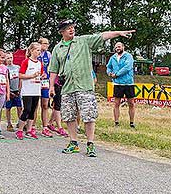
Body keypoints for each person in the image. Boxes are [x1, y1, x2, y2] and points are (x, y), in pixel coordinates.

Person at [49, 19, 135, 157]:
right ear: (61, 32)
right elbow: (53, 69)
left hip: (84, 86)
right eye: (68, 28)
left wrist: (118, 33)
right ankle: (73, 142)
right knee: (69, 116)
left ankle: (90, 144)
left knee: (89, 116)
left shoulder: (84, 41)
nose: (71, 30)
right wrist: (51, 86)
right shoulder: (57, 48)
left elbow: (102, 35)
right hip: (67, 87)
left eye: (72, 27)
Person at [15, 42, 44, 140]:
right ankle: (20, 130)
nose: (39, 52)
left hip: (36, 90)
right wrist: (32, 76)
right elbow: (20, 75)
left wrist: (42, 76)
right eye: (37, 50)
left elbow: (42, 74)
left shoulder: (40, 63)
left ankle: (29, 130)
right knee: (26, 109)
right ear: (31, 51)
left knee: (32, 111)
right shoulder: (26, 62)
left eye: (40, 50)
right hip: (27, 90)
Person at [106, 42, 136, 128]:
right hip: (117, 83)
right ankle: (116, 122)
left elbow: (127, 67)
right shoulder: (113, 57)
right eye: (116, 47)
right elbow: (109, 66)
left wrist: (117, 74)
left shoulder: (128, 56)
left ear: (123, 47)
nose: (117, 48)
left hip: (128, 83)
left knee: (131, 103)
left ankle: (132, 122)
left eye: (119, 46)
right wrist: (109, 73)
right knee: (116, 103)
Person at [38, 38, 54, 138]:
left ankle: (45, 127)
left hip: (45, 82)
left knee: (45, 105)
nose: (47, 45)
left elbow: (52, 67)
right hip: (35, 81)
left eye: (48, 44)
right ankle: (31, 126)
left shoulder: (48, 54)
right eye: (45, 43)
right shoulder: (35, 52)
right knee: (34, 105)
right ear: (40, 44)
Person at [4, 51, 23, 132]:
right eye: (8, 58)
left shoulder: (17, 67)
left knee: (19, 107)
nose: (10, 59)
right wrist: (8, 92)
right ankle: (9, 123)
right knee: (8, 108)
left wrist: (19, 88)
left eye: (11, 57)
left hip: (17, 90)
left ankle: (20, 122)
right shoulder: (5, 68)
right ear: (5, 59)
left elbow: (20, 78)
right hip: (9, 91)